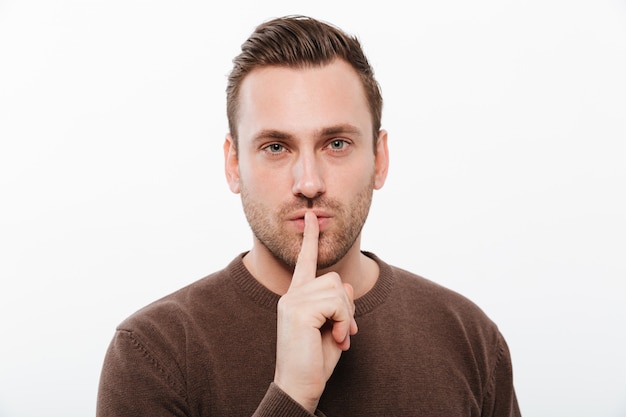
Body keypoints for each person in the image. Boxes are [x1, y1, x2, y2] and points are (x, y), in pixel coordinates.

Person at [96, 15, 521, 416]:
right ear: (233, 165)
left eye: (336, 144)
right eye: (276, 147)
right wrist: (291, 396)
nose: (309, 183)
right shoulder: (153, 353)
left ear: (379, 158)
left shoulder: (470, 337)